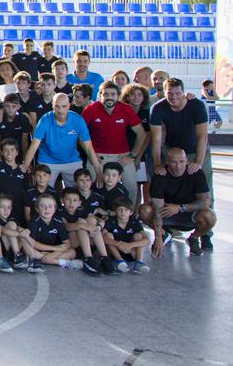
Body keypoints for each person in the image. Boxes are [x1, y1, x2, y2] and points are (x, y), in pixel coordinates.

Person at [141, 147, 216, 256]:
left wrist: (180, 207)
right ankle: (164, 234)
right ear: (167, 162)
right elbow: (157, 209)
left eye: (182, 161)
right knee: (144, 210)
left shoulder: (196, 173)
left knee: (210, 216)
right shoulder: (160, 175)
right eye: (174, 162)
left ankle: (194, 238)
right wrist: (157, 237)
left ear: (187, 161)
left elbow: (205, 202)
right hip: (166, 212)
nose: (178, 166)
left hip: (189, 213)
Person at [149, 77, 211, 208]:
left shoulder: (197, 105)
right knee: (166, 181)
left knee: (204, 185)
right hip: (171, 149)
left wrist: (198, 161)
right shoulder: (157, 108)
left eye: (178, 93)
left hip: (195, 148)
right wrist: (157, 164)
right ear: (164, 93)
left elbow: (202, 136)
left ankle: (206, 222)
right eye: (170, 93)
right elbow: (156, 139)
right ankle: (168, 222)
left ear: (183, 92)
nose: (174, 97)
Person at [82, 81, 145, 199]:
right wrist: (91, 155)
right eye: (105, 94)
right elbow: (80, 135)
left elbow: (141, 134)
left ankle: (129, 216)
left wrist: (132, 155)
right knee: (91, 188)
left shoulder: (126, 109)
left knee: (131, 188)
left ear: (118, 96)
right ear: (100, 96)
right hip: (97, 155)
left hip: (122, 156)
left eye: (112, 94)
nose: (109, 97)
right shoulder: (91, 109)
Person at [23, 93, 101, 188]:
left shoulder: (77, 119)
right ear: (52, 105)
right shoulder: (45, 120)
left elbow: (88, 147)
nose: (60, 110)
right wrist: (25, 166)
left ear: (69, 105)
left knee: (77, 192)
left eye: (64, 106)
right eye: (57, 106)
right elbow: (34, 145)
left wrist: (98, 171)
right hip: (48, 160)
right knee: (44, 192)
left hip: (72, 160)